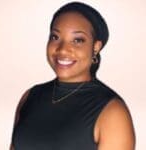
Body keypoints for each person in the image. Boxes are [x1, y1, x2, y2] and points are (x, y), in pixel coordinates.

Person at [10, 2, 135, 150]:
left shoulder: (113, 112)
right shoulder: (30, 96)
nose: (62, 49)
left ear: (96, 47)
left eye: (77, 40)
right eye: (55, 37)